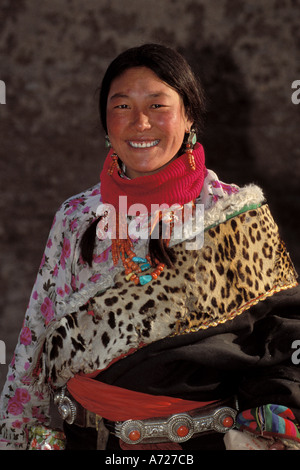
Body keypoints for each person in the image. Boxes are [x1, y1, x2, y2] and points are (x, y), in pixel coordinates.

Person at [1, 43, 300, 451]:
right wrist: (20, 434)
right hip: (89, 439)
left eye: (158, 105)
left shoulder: (233, 214)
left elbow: (280, 337)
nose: (140, 123)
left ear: (189, 115)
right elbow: (37, 334)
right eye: (122, 107)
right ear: (105, 124)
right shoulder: (76, 217)